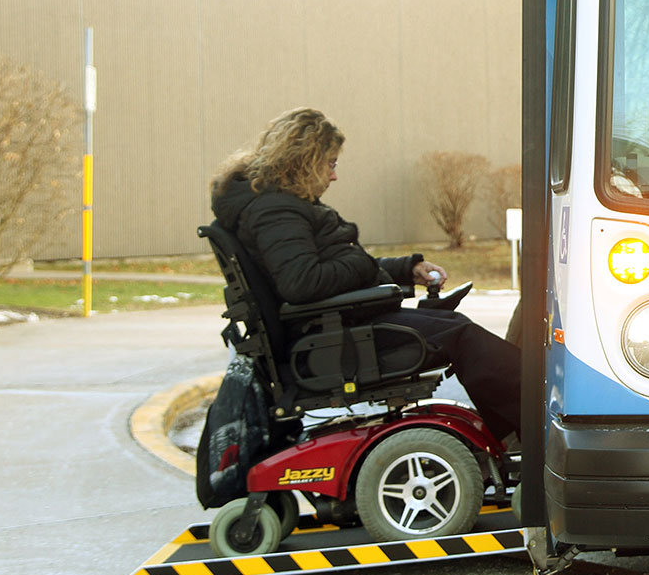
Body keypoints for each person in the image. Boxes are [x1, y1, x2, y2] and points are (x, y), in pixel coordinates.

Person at [209, 107, 521, 440]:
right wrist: (365, 267)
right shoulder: (276, 211)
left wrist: (407, 269)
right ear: (305, 160)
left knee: (454, 326)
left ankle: (513, 429)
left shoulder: (280, 205)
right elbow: (302, 283)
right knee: (461, 335)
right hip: (331, 338)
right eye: (330, 163)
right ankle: (531, 427)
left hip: (339, 325)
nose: (334, 176)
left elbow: (332, 266)